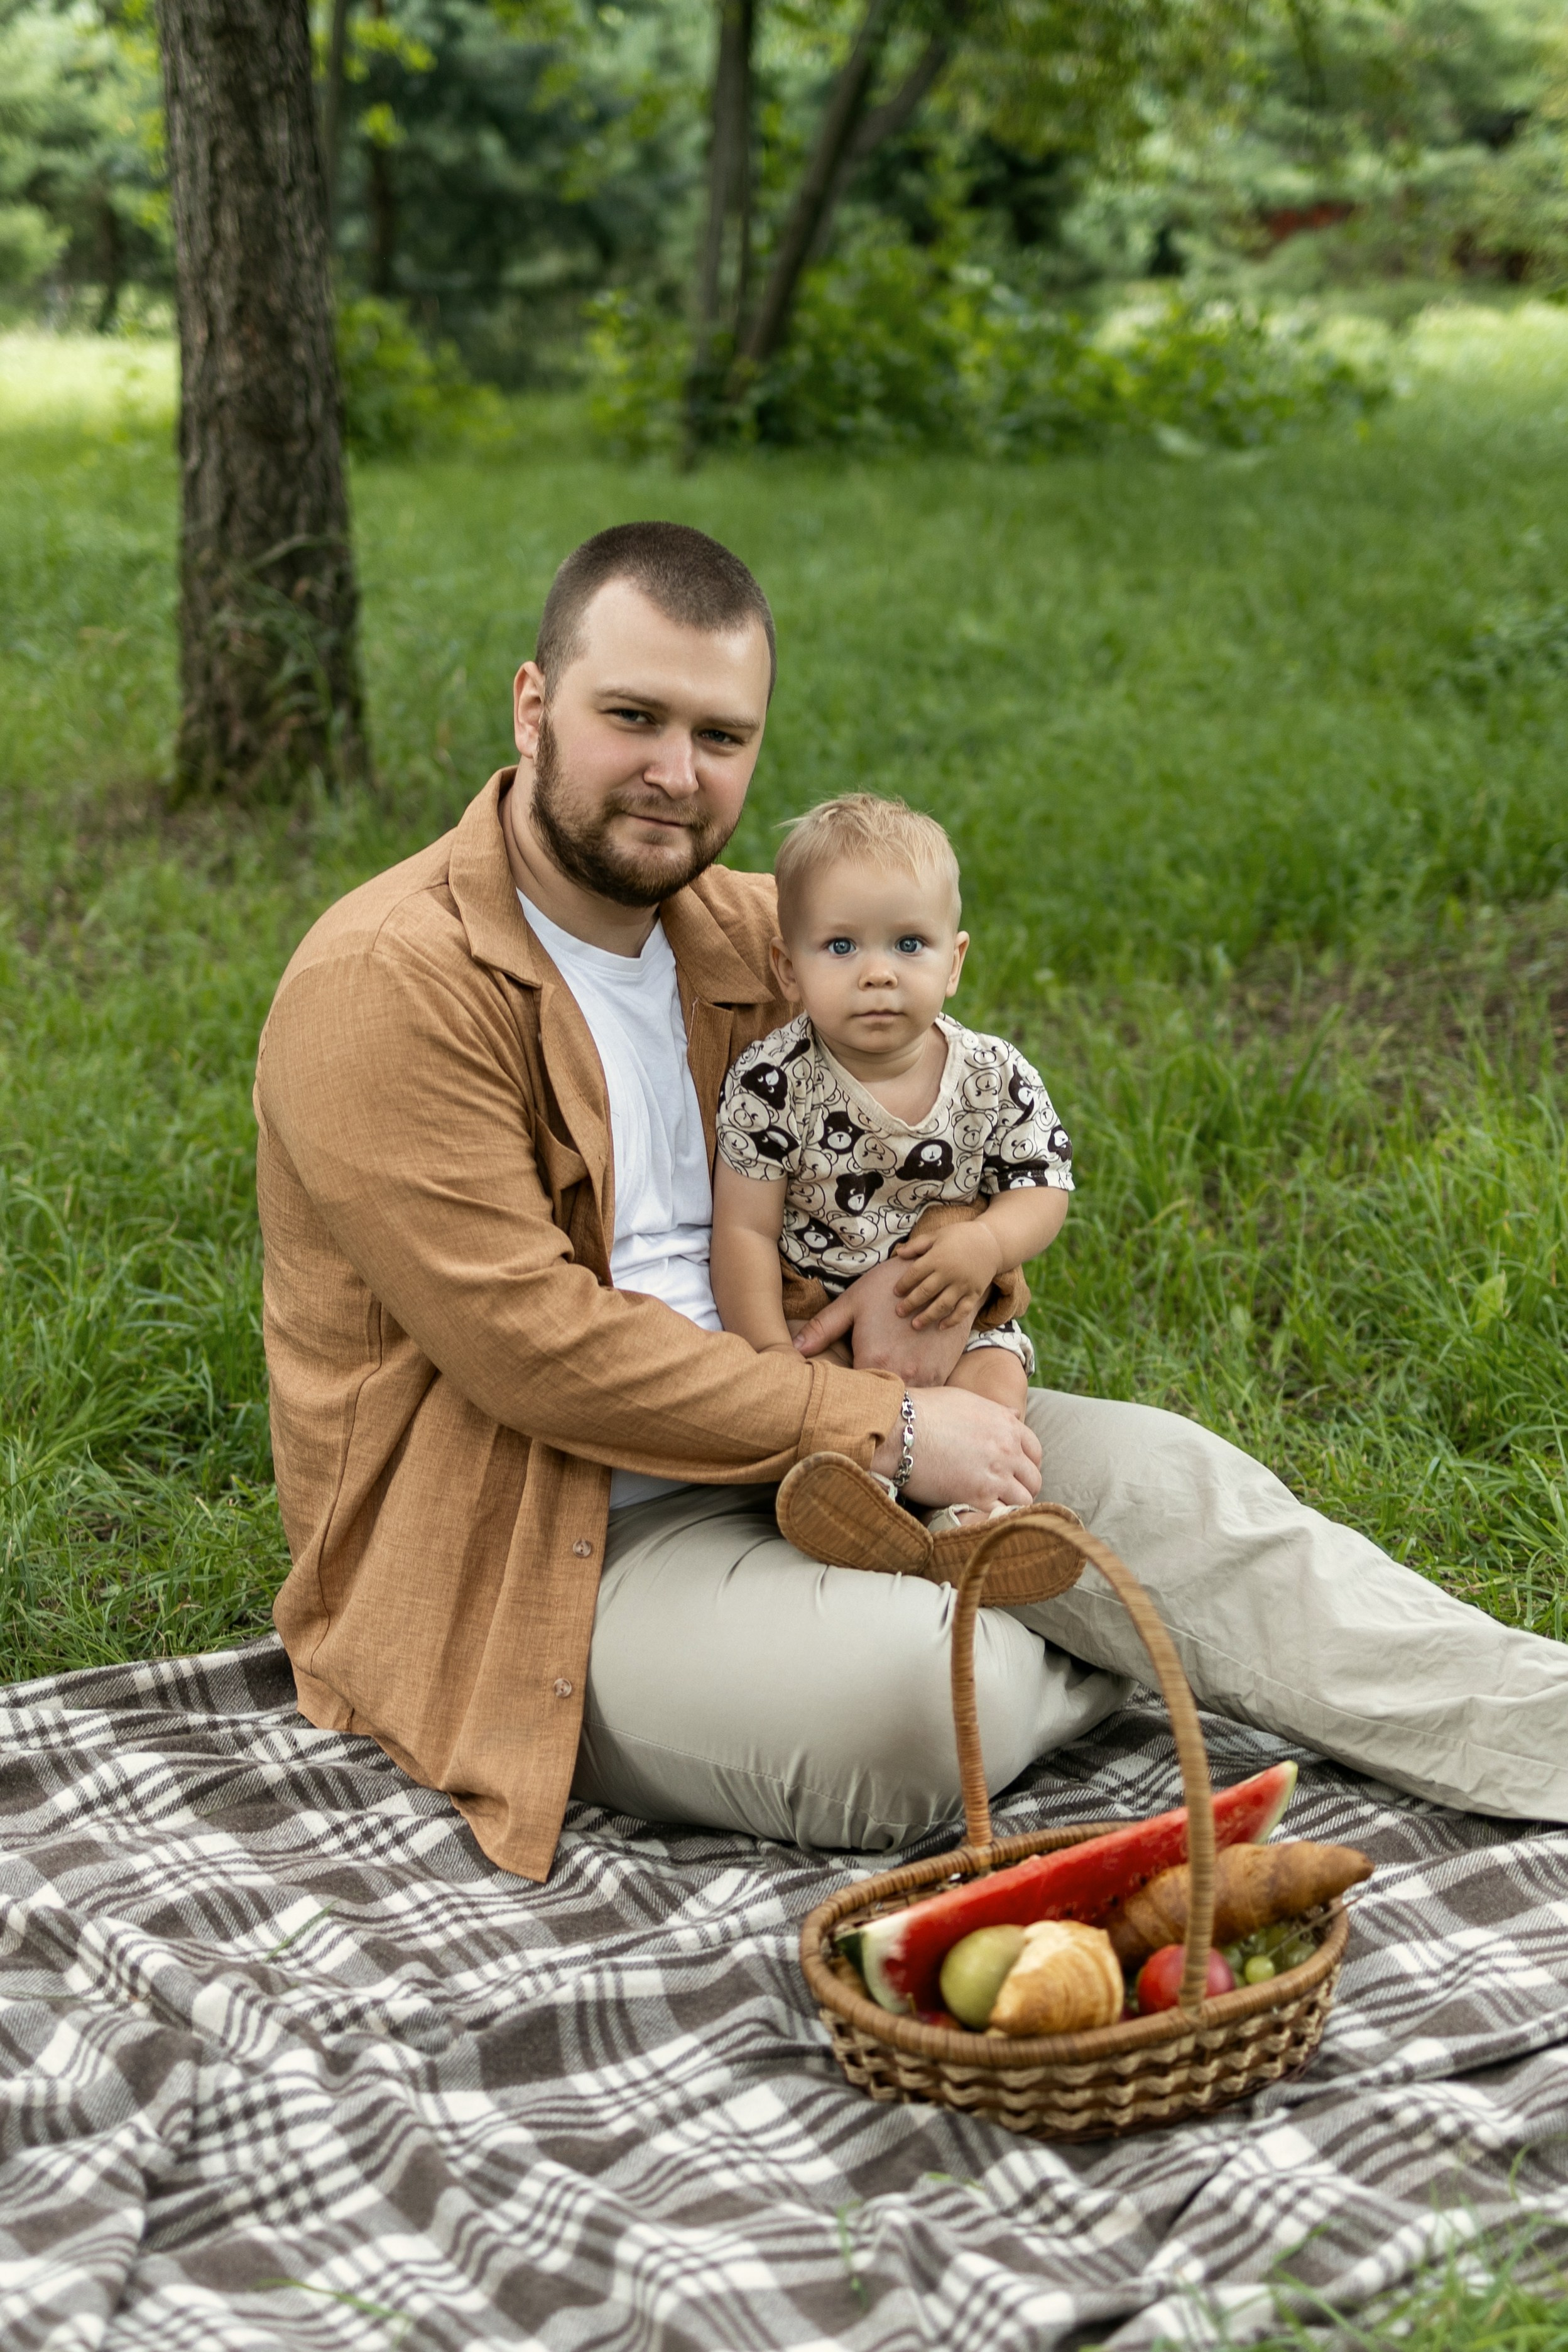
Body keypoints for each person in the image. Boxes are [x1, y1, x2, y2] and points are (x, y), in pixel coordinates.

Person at [254, 518, 1568, 1885]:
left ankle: (1538, 1733)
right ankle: (1097, 1628)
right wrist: (885, 1428)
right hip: (559, 1536)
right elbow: (533, 1349)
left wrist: (954, 1272)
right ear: (534, 705)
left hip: (827, 1440)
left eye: (721, 736)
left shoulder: (767, 936)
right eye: (631, 717)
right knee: (922, 1705)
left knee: (1186, 1487)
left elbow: (965, 1146)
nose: (674, 773)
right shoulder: (386, 985)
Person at [710, 792, 1069, 1537]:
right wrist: (778, 1363)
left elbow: (1043, 1186)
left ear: (955, 961)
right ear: (788, 968)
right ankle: (859, 1507)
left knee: (996, 1382)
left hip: (957, 1312)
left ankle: (982, 1510)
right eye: (842, 947)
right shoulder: (771, 1083)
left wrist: (989, 1244)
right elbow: (743, 1232)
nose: (879, 973)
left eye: (909, 945)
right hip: (822, 1317)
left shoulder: (992, 1074)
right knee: (834, 1413)